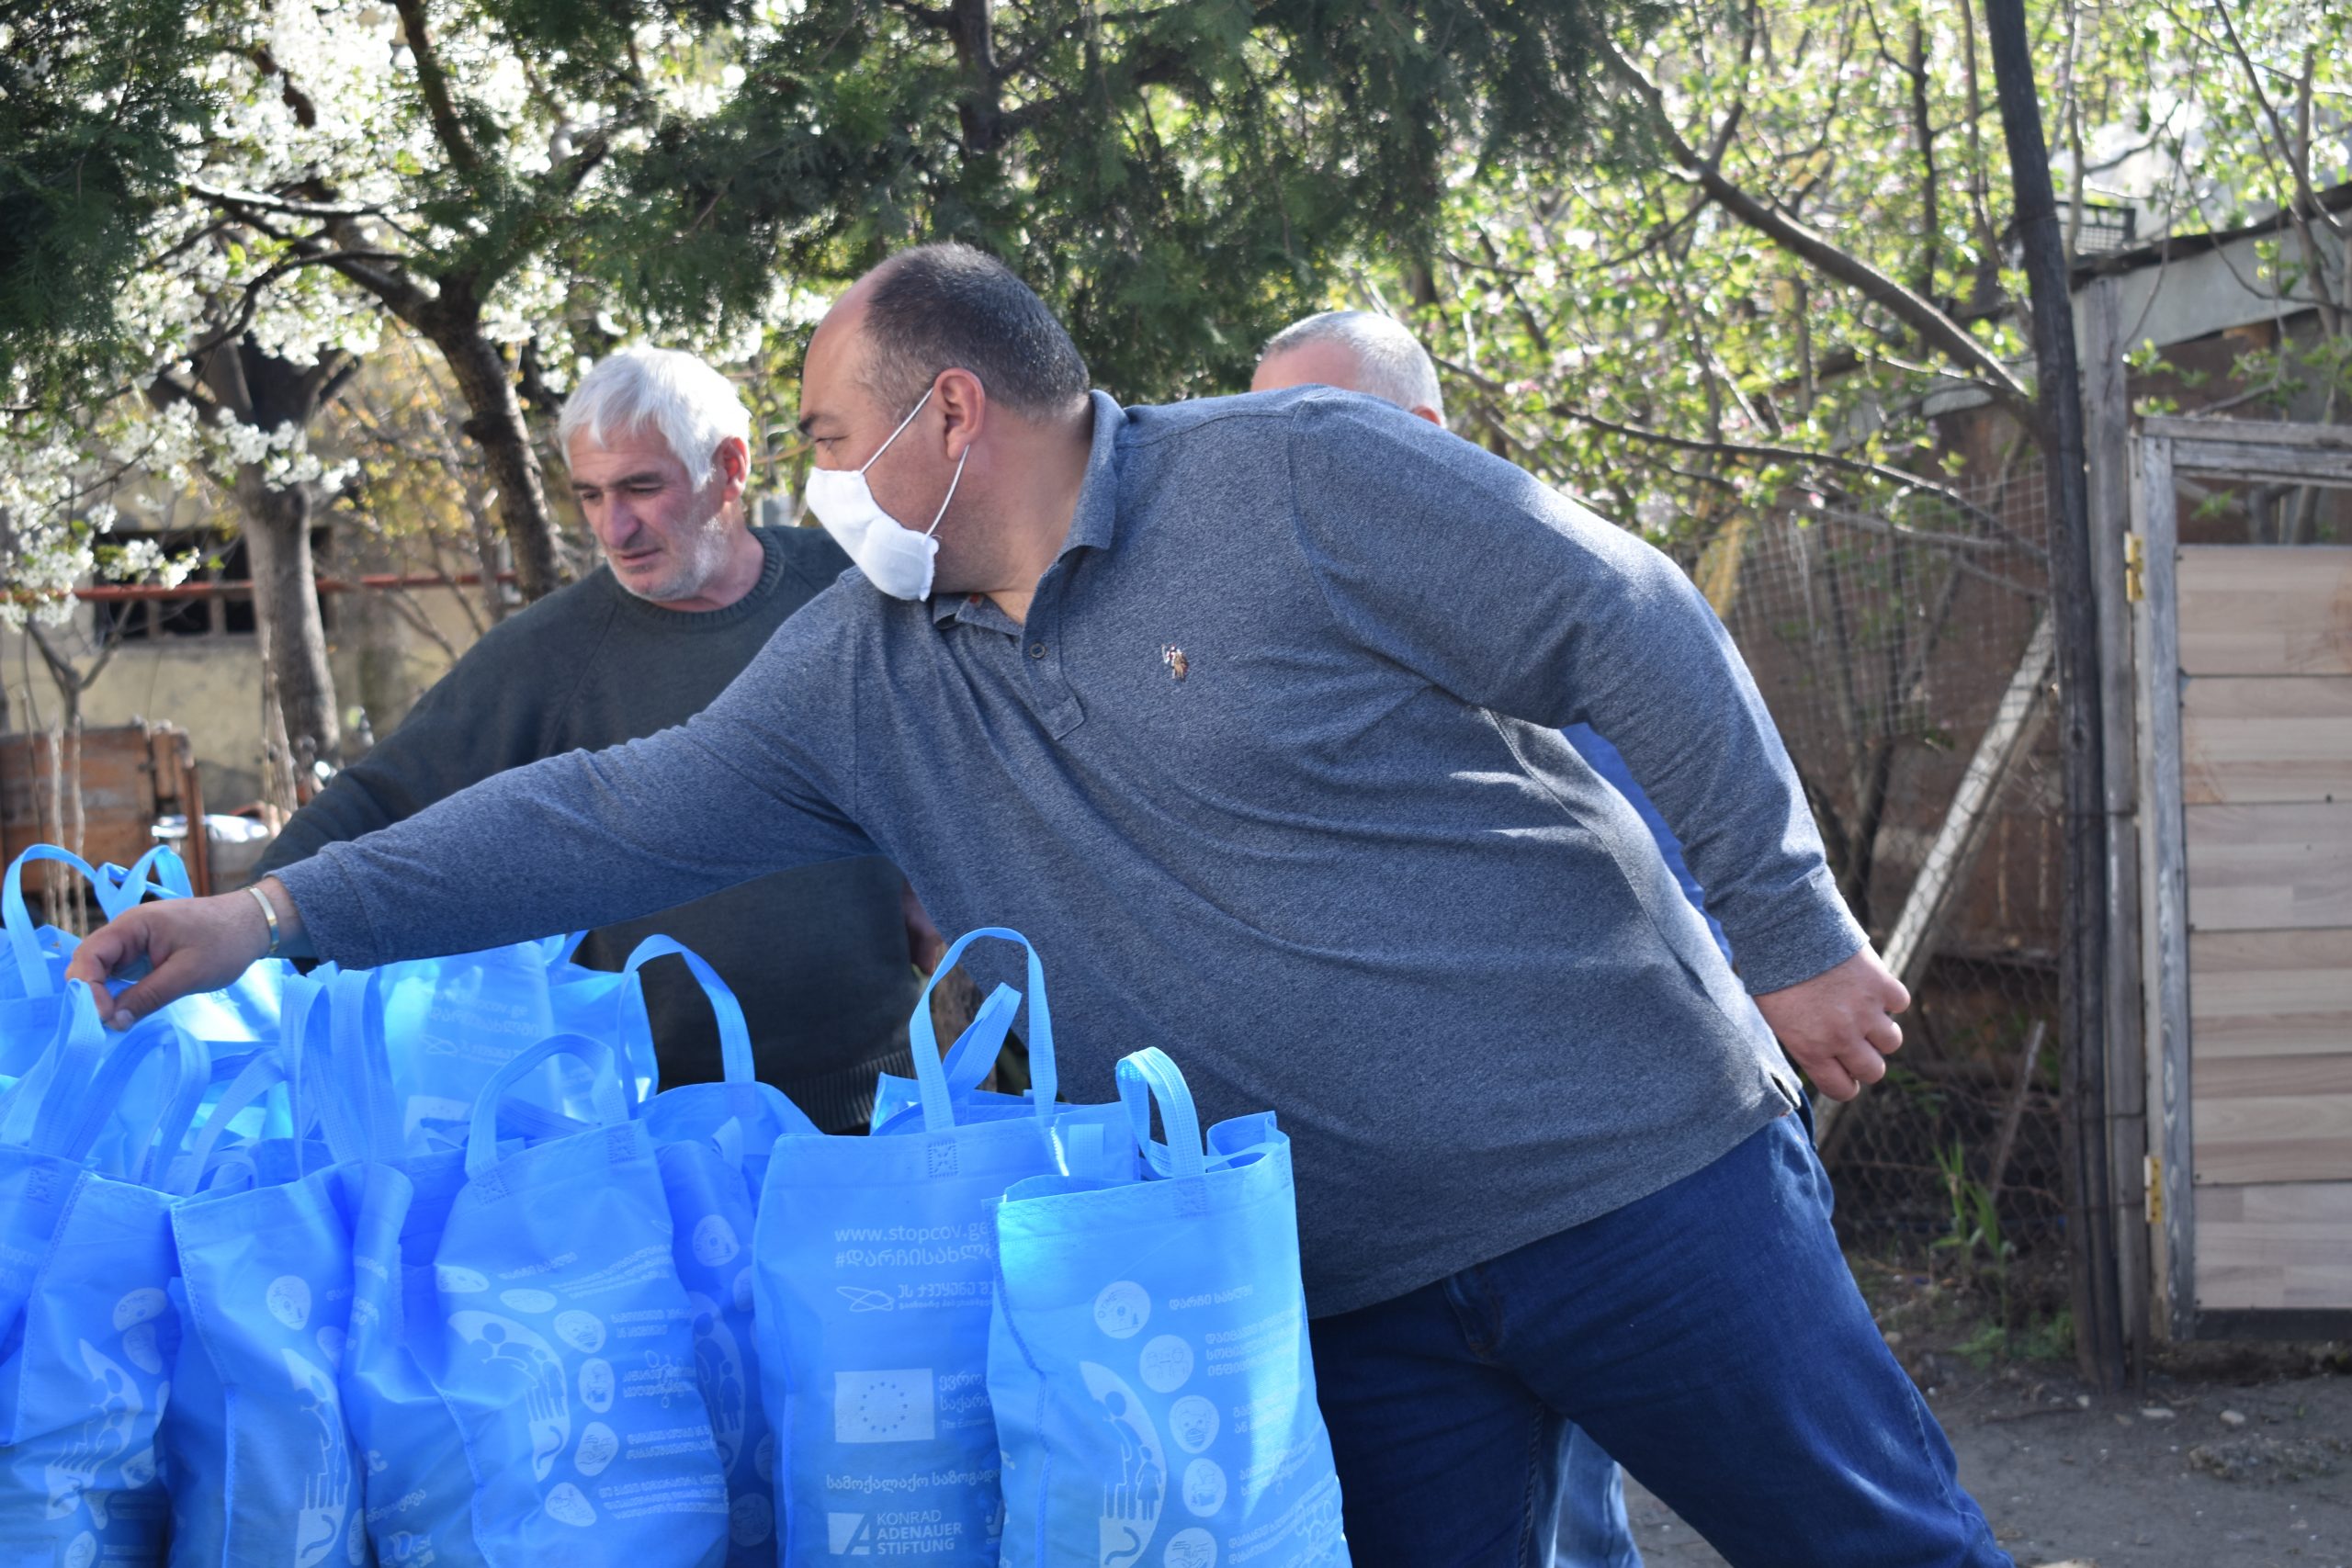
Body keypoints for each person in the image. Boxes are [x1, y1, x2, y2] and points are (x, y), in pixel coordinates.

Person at [74, 244, 2007, 1566]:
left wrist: (1786, 923)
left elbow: (1625, 613)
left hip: (1631, 1185)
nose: (820, 483)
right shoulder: (869, 665)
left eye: (829, 438)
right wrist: (278, 915)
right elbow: (604, 814)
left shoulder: (1299, 484)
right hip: (1339, 1278)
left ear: (953, 415)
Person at [251, 344, 922, 1132]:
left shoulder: (855, 591)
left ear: (731, 468)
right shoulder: (551, 654)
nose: (616, 526)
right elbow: (381, 797)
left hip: (883, 1102)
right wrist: (235, 927)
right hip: (655, 1129)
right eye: (590, 495)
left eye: (641, 486)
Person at [1254, 308, 1655, 1568]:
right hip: (1375, 1227)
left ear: (1424, 438)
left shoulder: (1567, 622)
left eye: (1327, 433)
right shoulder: (1277, 660)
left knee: (1570, 1524)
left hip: (1574, 1190)